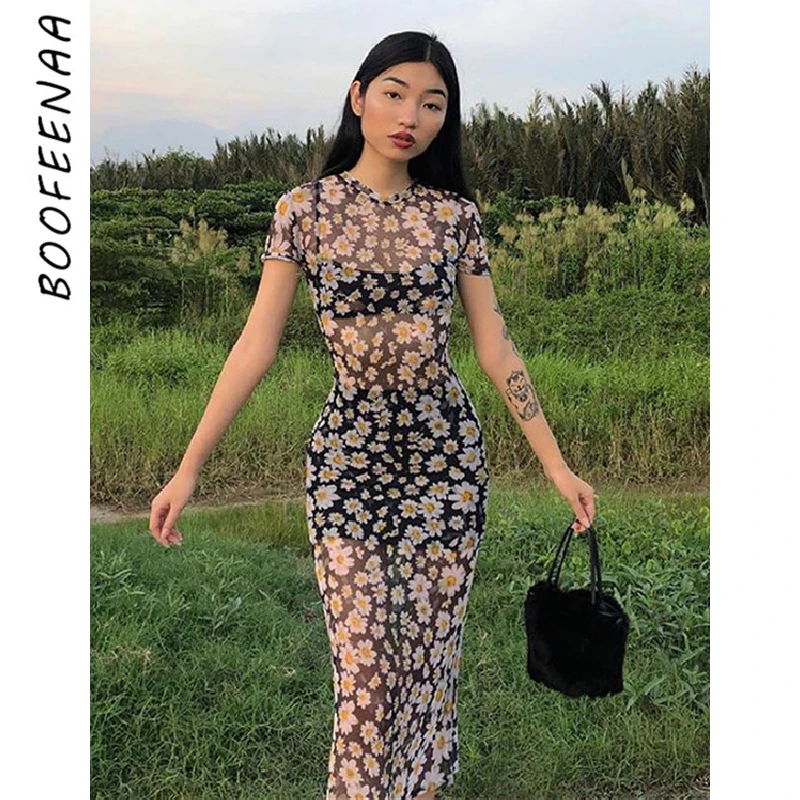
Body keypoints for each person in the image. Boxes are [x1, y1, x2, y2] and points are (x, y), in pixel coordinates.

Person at [150, 30, 597, 800]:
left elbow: (496, 347)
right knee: (364, 672)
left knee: (428, 667)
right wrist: (189, 469)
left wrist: (556, 465)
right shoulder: (304, 211)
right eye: (394, 93)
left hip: (445, 462)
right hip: (347, 460)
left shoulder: (454, 217)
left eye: (432, 103)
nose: (410, 116)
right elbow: (254, 346)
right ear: (358, 97)